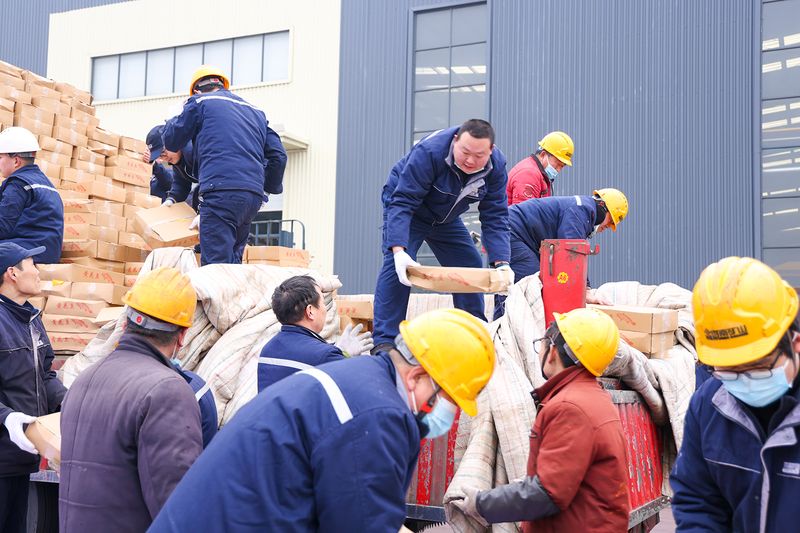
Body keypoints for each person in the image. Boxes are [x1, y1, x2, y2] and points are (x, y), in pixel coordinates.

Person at [149, 308, 495, 532]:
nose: (448, 415)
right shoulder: (378, 416)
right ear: (417, 377)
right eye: (448, 400)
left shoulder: (362, 381)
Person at [452, 307, 630, 532]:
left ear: (553, 350)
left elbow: (547, 493)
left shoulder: (569, 408)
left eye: (542, 342)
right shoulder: (593, 399)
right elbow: (565, 479)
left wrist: (482, 503)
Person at [59, 267, 203, 532]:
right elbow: (177, 505)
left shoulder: (84, 379)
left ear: (125, 323)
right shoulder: (167, 391)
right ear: (182, 336)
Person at [671, 257, 800, 532]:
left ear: (795, 343)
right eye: (730, 369)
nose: (744, 380)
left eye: (756, 366)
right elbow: (698, 501)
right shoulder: (708, 406)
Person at [373, 119, 512, 349]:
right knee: (399, 268)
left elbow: (495, 215)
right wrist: (398, 250)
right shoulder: (430, 152)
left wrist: (502, 263)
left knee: (469, 262)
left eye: (478, 156)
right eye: (465, 152)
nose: (470, 160)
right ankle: (385, 342)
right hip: (410, 208)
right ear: (455, 140)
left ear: (490, 152)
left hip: (445, 217)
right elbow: (403, 201)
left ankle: (473, 330)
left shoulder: (496, 167)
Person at [162, 65, 287, 265]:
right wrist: (266, 189)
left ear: (195, 90)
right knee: (232, 267)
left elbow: (172, 141)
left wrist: (177, 115)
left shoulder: (199, 102)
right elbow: (279, 156)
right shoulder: (256, 112)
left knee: (215, 270)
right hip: (251, 198)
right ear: (222, 85)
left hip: (219, 193)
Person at [0, 243, 66, 533]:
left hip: (21, 457)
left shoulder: (32, 319)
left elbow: (46, 375)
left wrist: (69, 401)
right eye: (32, 266)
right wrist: (7, 417)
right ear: (12, 273)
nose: (38, 273)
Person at [494, 188, 628, 319]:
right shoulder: (581, 210)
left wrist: (584, 288)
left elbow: (574, 252)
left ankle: (499, 334)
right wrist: (585, 291)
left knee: (510, 289)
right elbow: (571, 253)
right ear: (603, 208)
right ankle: (509, 336)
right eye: (610, 221)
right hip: (512, 233)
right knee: (528, 289)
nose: (608, 227)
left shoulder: (583, 210)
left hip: (513, 233)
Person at [257, 275, 373, 391]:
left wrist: (337, 351)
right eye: (323, 302)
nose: (325, 309)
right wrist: (345, 357)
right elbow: (358, 387)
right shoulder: (325, 356)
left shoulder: (267, 350)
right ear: (310, 311)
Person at [0, 127, 64, 264]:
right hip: (47, 253)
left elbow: (2, 226)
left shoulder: (18, 184)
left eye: (0, 157)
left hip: (27, 251)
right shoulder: (47, 185)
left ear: (16, 161)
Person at [506, 131, 574, 205]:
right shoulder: (529, 174)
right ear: (543, 155)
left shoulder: (540, 174)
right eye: (557, 164)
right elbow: (524, 214)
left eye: (562, 166)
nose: (558, 169)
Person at [146, 125, 174, 201]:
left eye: (160, 154)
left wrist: (155, 165)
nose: (159, 158)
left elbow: (169, 182)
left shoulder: (172, 170)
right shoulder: (150, 173)